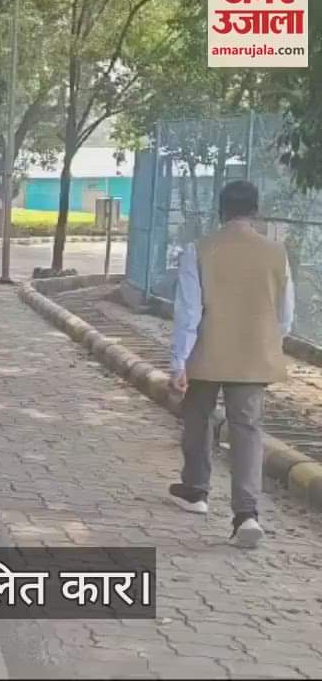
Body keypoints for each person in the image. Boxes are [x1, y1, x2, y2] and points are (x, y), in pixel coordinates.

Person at [169, 180, 295, 549]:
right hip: (255, 354)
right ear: (255, 211)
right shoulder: (276, 253)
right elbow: (286, 314)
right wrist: (268, 342)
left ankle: (195, 490)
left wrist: (179, 362)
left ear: (220, 210)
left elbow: (189, 311)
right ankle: (246, 515)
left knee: (198, 416)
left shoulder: (200, 250)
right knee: (247, 429)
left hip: (207, 351)